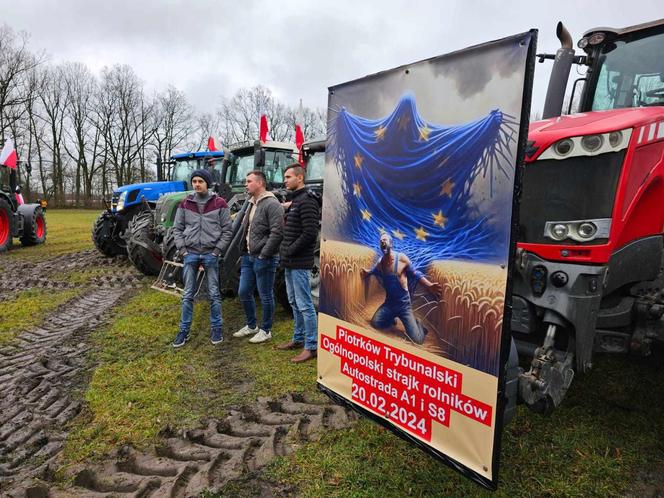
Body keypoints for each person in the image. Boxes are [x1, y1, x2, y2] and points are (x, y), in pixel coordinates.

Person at [172, 168, 233, 348]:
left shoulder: (220, 203)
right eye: (194, 181)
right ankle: (184, 330)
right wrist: (183, 250)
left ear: (207, 183)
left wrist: (216, 251)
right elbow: (177, 229)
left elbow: (227, 230)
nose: (197, 184)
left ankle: (216, 328)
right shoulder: (185, 204)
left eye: (200, 181)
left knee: (214, 294)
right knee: (188, 294)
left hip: (210, 254)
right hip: (190, 253)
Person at [360, 233, 442, 344]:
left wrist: (429, 285)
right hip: (389, 304)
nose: (383, 243)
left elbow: (415, 273)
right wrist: (367, 273)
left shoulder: (401, 258)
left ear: (391, 244)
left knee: (418, 340)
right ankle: (391, 318)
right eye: (381, 241)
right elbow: (375, 270)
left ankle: (418, 325)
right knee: (376, 323)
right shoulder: (381, 262)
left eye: (385, 240)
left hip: (404, 306)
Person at [276, 164, 321, 363]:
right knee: (294, 302)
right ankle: (298, 338)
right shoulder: (296, 200)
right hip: (289, 261)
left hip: (299, 262)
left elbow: (310, 233)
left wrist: (290, 249)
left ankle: (311, 346)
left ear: (300, 178)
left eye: (288, 177)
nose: (285, 180)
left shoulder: (307, 201)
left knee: (305, 305)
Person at [232, 170, 283, 344]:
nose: (246, 184)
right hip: (248, 256)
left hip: (264, 257)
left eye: (249, 181)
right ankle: (252, 325)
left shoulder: (271, 203)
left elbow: (277, 233)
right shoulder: (252, 203)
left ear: (260, 183)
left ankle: (266, 330)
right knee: (244, 291)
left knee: (265, 294)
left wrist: (264, 254)